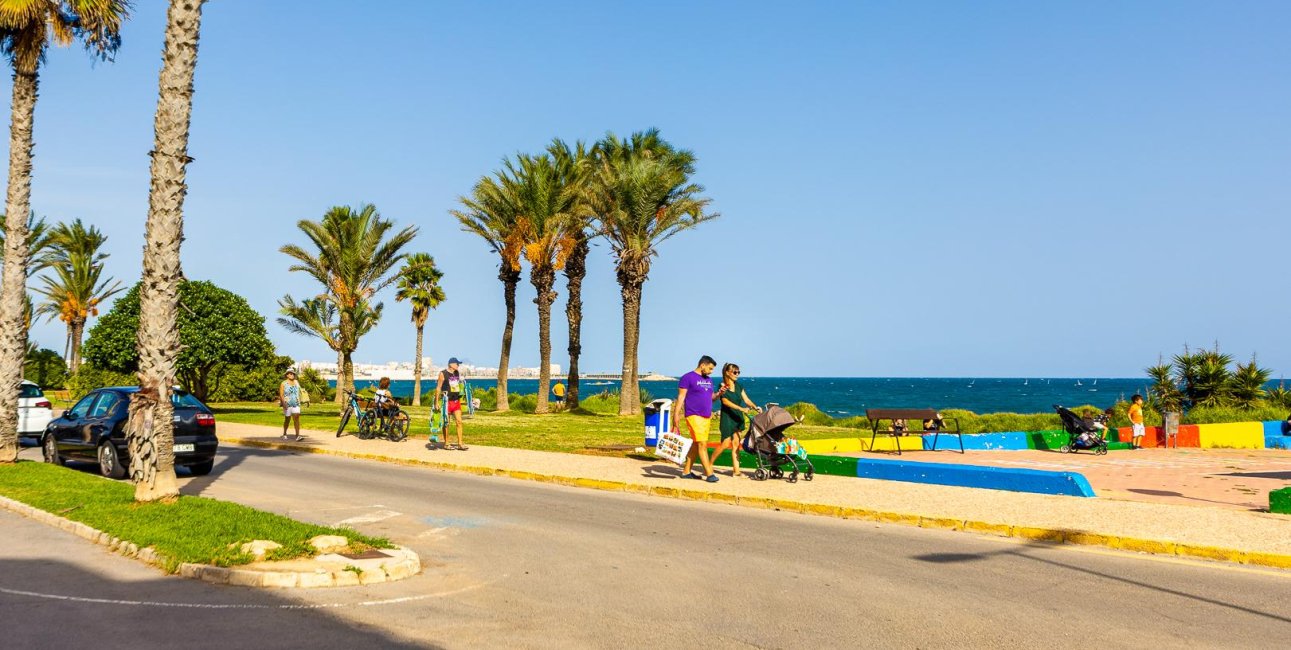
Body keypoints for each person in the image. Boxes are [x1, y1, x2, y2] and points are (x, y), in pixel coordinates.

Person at [671, 355, 726, 482]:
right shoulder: (687, 378)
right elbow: (681, 397)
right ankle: (709, 473)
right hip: (693, 415)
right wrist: (676, 415)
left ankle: (686, 472)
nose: (711, 371)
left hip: (706, 416)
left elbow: (711, 397)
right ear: (702, 365)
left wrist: (719, 394)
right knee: (702, 444)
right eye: (710, 368)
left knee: (696, 444)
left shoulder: (709, 380)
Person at [715, 363, 757, 477]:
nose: (737, 374)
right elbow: (725, 402)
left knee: (736, 444)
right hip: (728, 417)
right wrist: (741, 408)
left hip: (738, 417)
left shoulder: (739, 385)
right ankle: (709, 463)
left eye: (738, 372)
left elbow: (746, 399)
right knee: (725, 443)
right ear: (727, 373)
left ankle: (736, 471)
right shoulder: (722, 385)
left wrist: (755, 406)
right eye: (735, 372)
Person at [434, 358, 467, 450]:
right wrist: (436, 402)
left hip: (456, 401)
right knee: (446, 423)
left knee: (459, 422)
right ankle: (446, 443)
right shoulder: (442, 373)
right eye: (457, 364)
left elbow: (457, 386)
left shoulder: (457, 373)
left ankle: (460, 444)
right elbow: (438, 388)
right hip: (446, 401)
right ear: (451, 364)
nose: (458, 366)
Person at [279, 370, 303, 441]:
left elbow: (300, 392)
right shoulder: (283, 383)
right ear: (287, 375)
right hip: (287, 403)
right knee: (287, 419)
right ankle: (284, 433)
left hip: (296, 403)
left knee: (296, 418)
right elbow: (281, 394)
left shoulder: (296, 382)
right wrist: (283, 403)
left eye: (293, 373)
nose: (292, 374)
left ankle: (297, 435)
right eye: (290, 373)